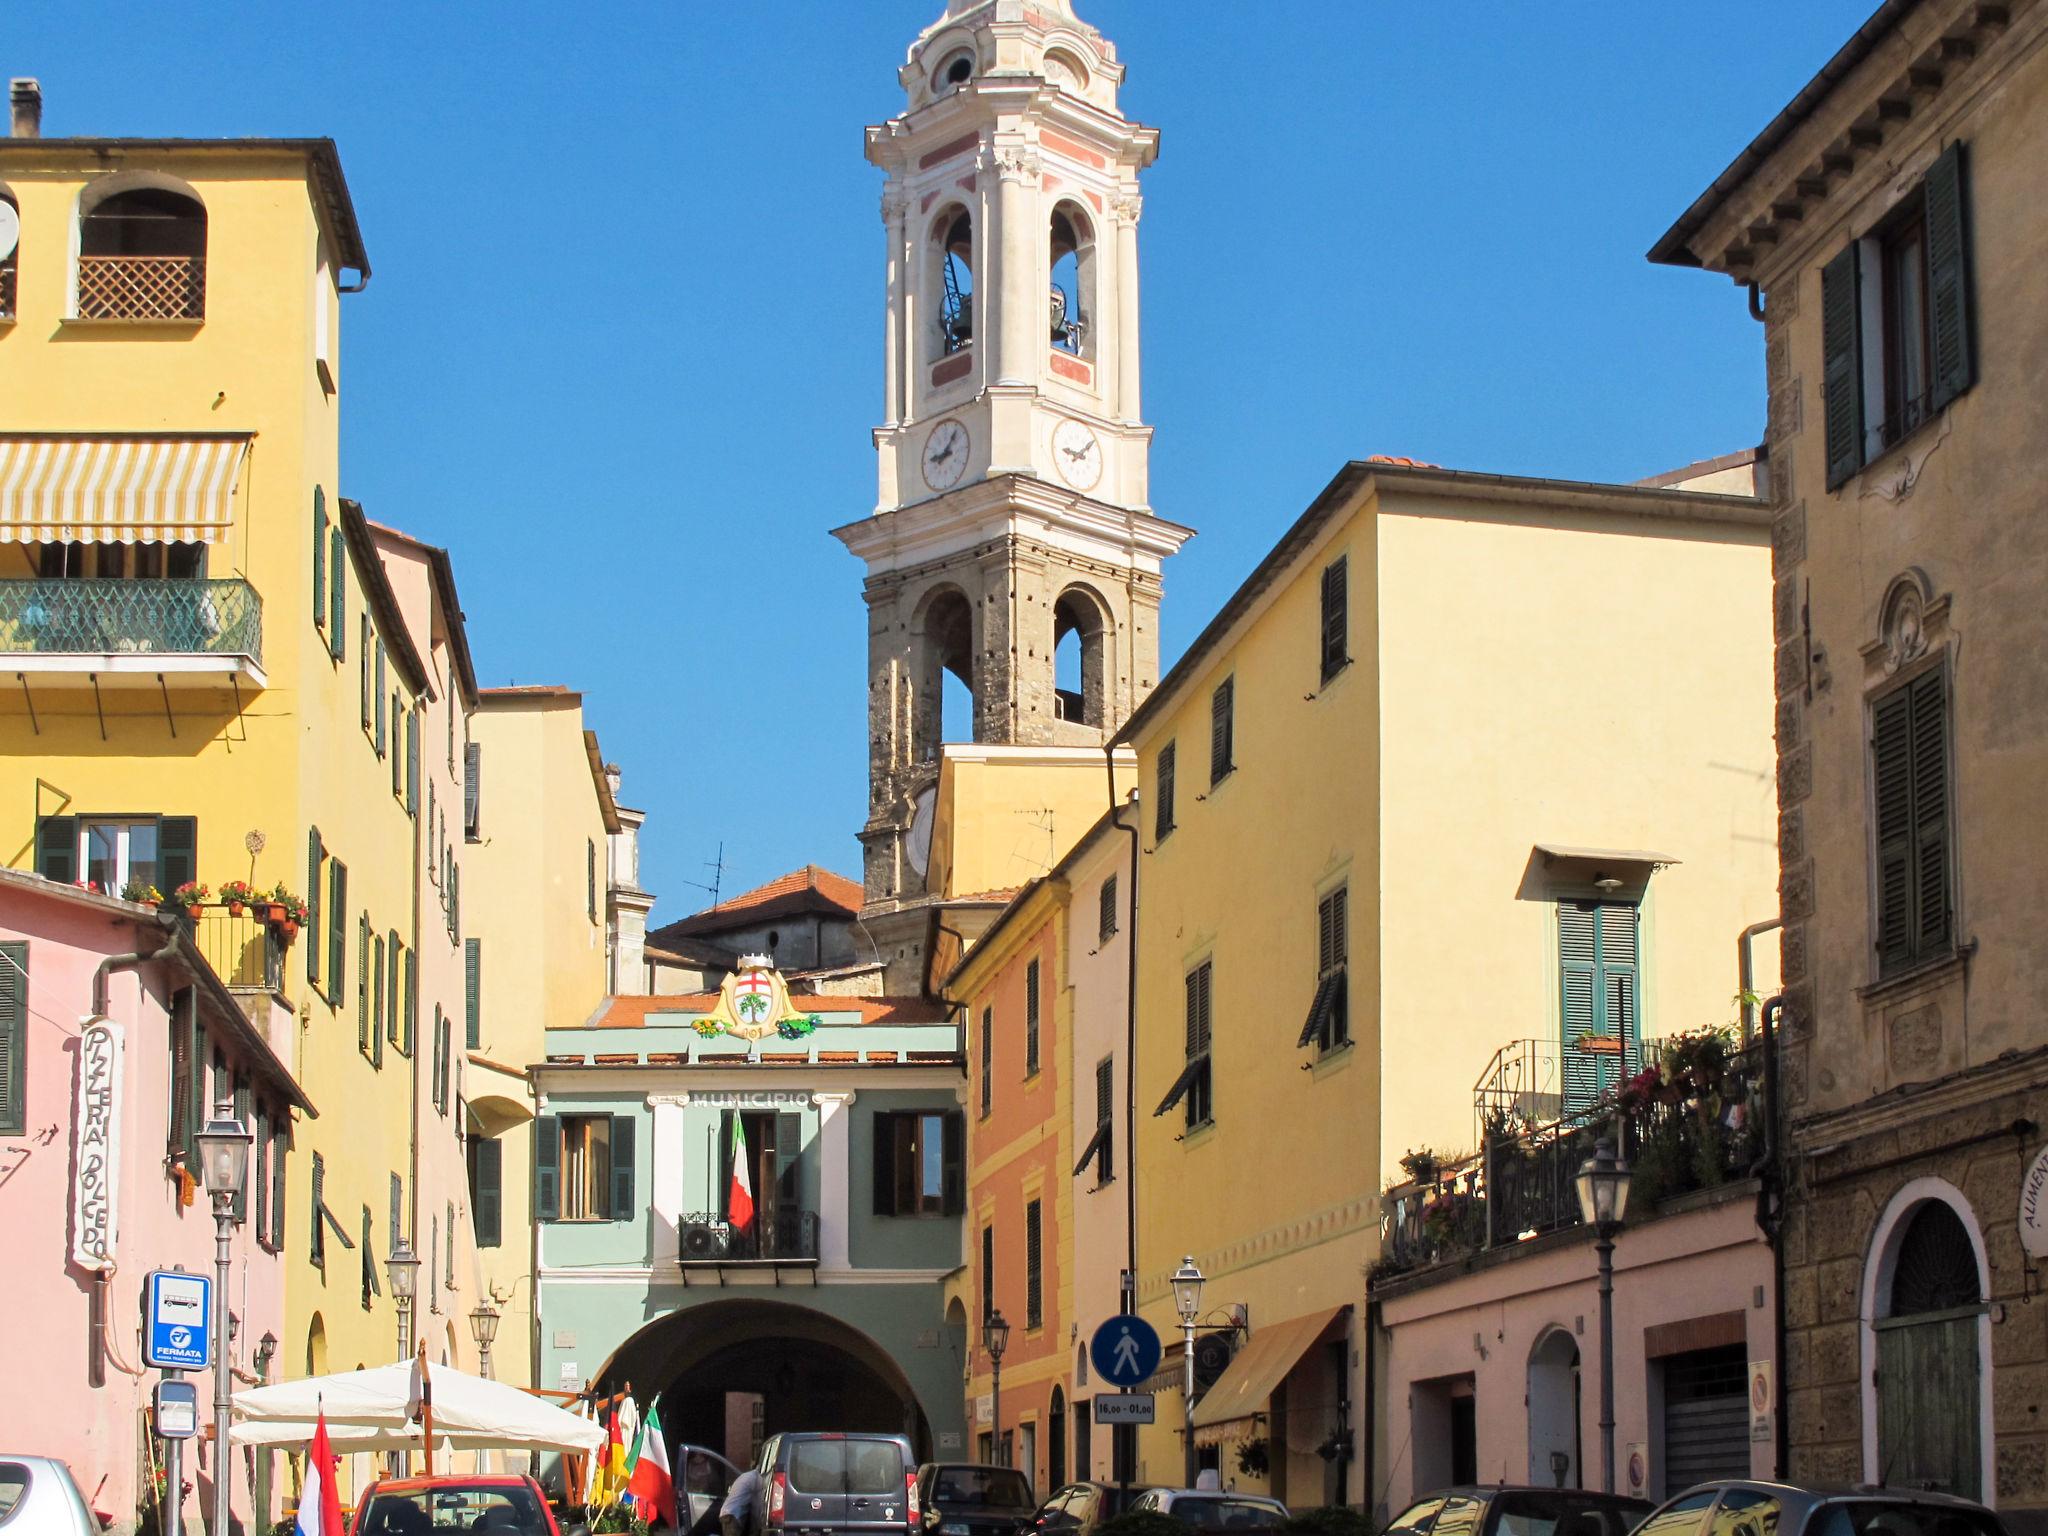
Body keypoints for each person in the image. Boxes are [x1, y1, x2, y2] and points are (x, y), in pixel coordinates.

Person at [720, 1466, 763, 1536]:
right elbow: (759, 1501)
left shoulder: (746, 1476)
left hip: (726, 1513)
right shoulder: (755, 1478)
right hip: (733, 1515)